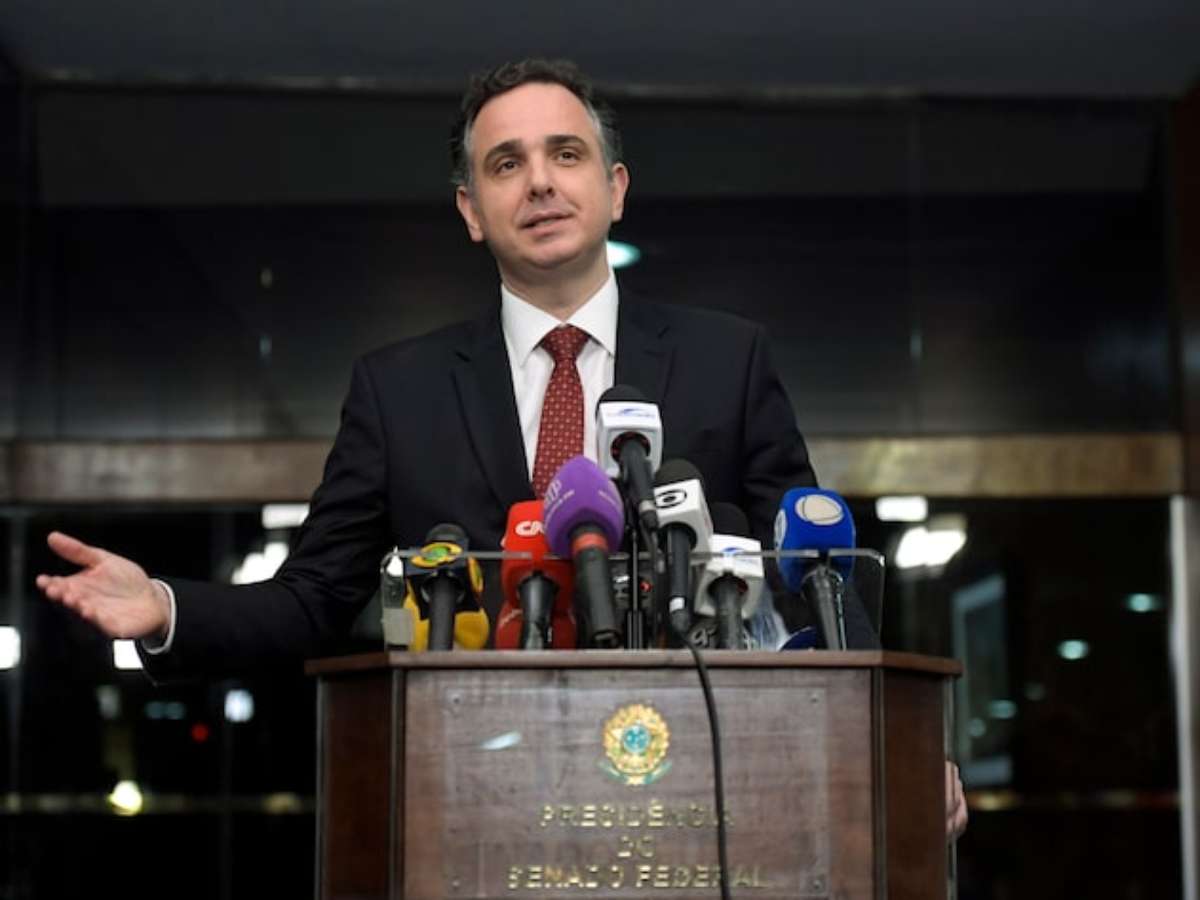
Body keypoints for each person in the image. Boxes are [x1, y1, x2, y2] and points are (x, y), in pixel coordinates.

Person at [33, 58, 965, 835]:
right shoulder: (397, 390)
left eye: (566, 154)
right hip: (480, 803)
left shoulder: (729, 359)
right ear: (472, 209)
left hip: (700, 795)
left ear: (615, 189)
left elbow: (815, 581)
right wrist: (164, 608)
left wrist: (902, 747)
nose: (541, 182)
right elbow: (313, 599)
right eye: (506, 164)